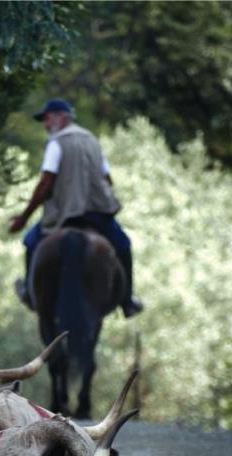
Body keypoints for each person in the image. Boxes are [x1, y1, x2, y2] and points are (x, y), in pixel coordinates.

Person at [9, 98, 143, 318]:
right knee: (124, 245)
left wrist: (23, 218)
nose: (45, 124)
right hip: (98, 216)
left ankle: (31, 295)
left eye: (48, 118)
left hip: (64, 217)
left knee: (30, 242)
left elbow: (45, 183)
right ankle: (127, 301)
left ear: (62, 116)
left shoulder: (56, 143)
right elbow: (107, 179)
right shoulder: (92, 141)